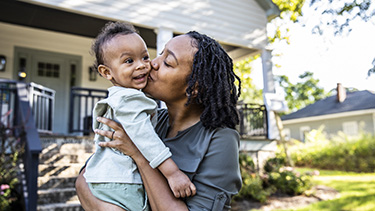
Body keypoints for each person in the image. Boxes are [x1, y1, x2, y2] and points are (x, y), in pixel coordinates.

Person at [76, 30, 242, 210]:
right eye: (160, 53)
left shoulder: (220, 139)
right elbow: (86, 180)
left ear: (195, 86)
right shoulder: (149, 119)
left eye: (167, 62)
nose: (152, 63)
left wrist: (139, 155)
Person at [83, 21, 196, 211]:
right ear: (106, 72)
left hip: (106, 179)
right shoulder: (129, 100)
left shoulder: (118, 97)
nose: (142, 66)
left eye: (144, 57)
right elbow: (146, 139)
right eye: (129, 61)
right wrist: (172, 173)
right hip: (122, 182)